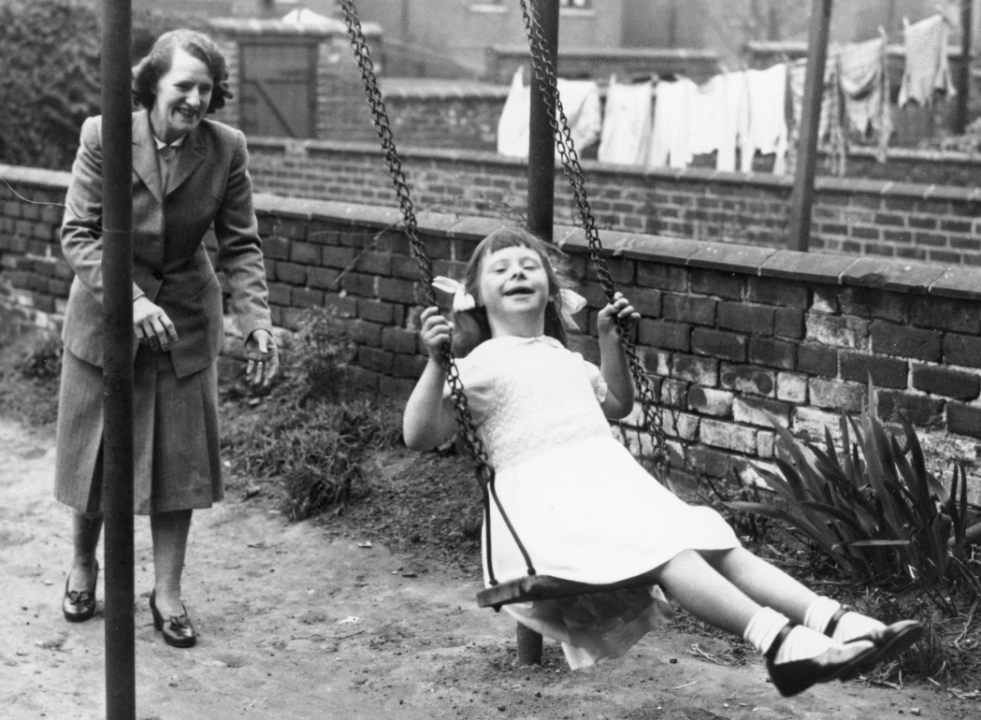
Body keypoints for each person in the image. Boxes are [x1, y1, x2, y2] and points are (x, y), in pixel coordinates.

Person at [403, 227, 922, 697]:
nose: (517, 272)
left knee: (716, 540)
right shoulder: (477, 367)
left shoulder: (566, 360)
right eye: (501, 268)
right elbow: (419, 435)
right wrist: (435, 362)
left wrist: (610, 342)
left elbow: (616, 405)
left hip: (605, 498)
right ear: (475, 297)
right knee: (674, 553)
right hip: (544, 519)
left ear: (552, 290)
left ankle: (842, 623)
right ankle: (780, 644)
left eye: (528, 265)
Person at [56, 29, 279, 649]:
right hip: (107, 319)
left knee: (177, 464)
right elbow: (78, 234)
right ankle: (83, 565)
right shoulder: (104, 136)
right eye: (183, 85)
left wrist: (255, 318)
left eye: (206, 89)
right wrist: (130, 300)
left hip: (184, 322)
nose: (195, 99)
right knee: (97, 459)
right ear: (153, 83)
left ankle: (169, 591)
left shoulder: (225, 148)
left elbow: (240, 244)